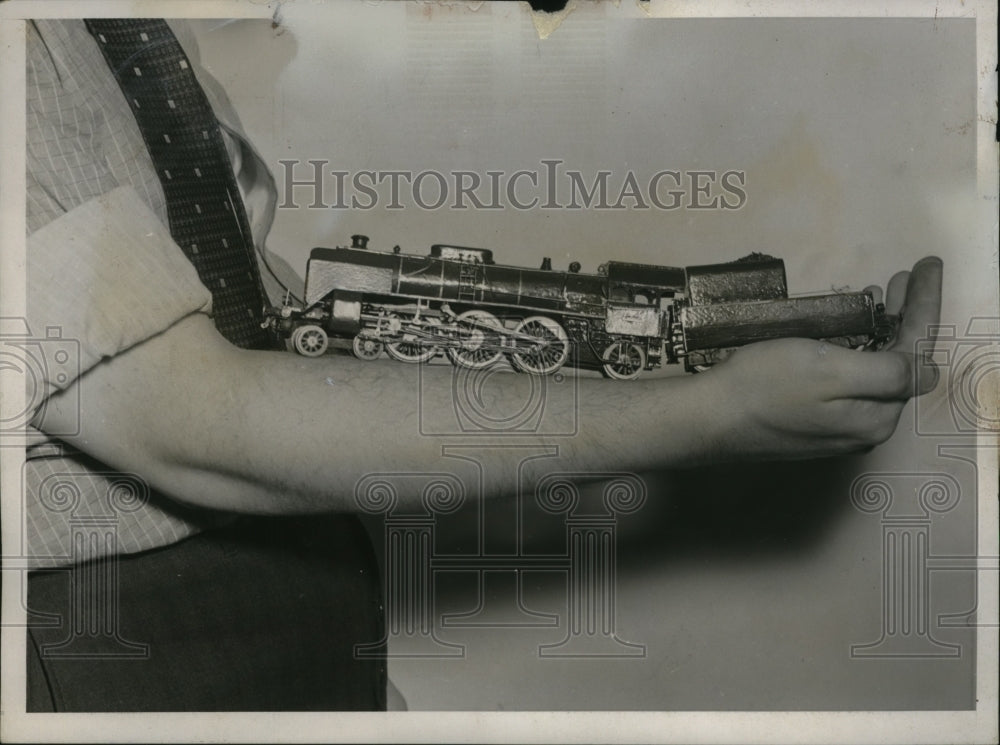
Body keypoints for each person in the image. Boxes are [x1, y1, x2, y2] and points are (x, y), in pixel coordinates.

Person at [21, 17, 942, 711]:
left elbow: (256, 339)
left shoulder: (105, 26)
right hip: (118, 632)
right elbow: (200, 423)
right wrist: (708, 414)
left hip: (302, 577)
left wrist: (722, 348)